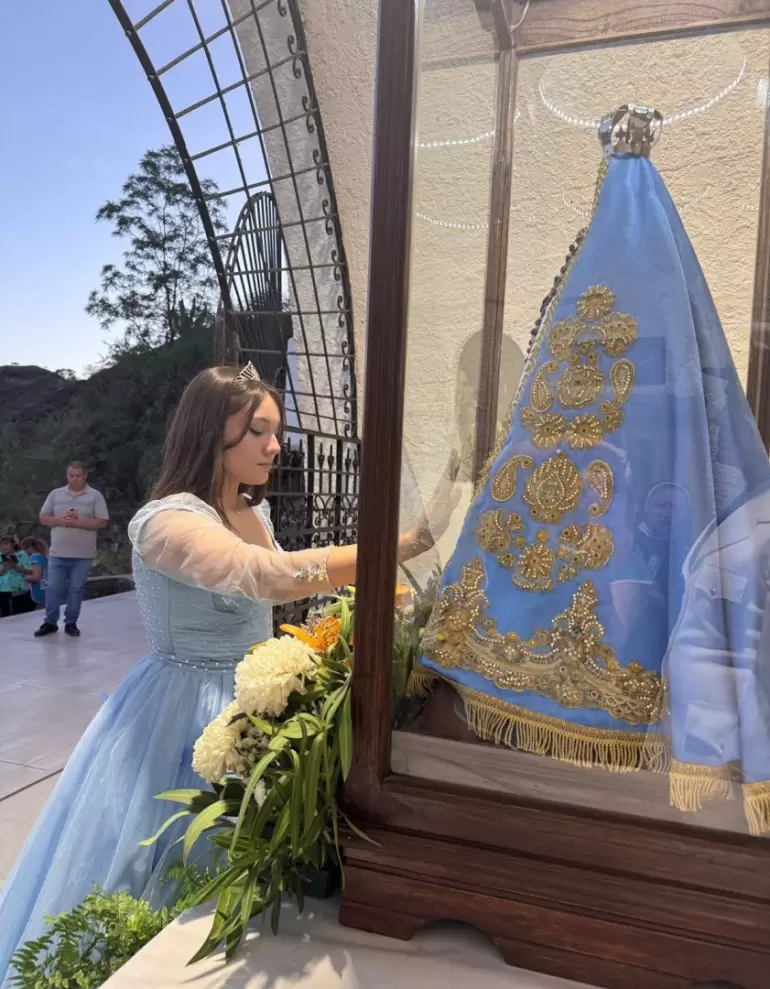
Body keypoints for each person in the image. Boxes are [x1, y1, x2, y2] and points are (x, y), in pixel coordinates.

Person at [0, 363, 457, 986]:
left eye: (277, 430)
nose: (275, 446)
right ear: (212, 434)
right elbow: (268, 577)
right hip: (180, 713)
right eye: (259, 431)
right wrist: (403, 543)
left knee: (248, 888)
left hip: (255, 703)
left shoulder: (252, 512)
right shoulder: (166, 522)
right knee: (162, 874)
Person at [35, 461, 109, 638]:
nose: (74, 479)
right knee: (53, 588)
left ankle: (71, 623)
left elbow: (102, 521)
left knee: (76, 589)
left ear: (85, 476)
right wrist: (61, 520)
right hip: (58, 553)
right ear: (67, 475)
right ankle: (50, 622)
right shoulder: (56, 494)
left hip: (82, 555)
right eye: (71, 475)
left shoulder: (95, 496)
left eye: (78, 476)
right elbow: (43, 517)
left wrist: (77, 523)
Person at [0, 535, 33, 618]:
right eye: (2, 544)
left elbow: (29, 570)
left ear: (13, 544)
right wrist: (4, 567)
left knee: (17, 614)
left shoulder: (21, 554)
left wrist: (15, 567)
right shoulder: (0, 555)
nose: (4, 546)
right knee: (4, 613)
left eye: (6, 544)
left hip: (18, 588)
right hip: (2, 588)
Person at [20, 537, 48, 609]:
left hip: (38, 594)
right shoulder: (43, 558)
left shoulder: (34, 558)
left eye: (24, 549)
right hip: (46, 591)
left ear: (30, 547)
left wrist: (22, 578)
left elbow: (36, 577)